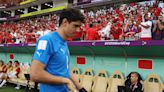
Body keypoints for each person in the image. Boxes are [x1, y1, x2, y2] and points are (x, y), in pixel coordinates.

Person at [30, 8, 86, 92]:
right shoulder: (47, 40)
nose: (78, 30)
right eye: (75, 26)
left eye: (79, 27)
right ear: (65, 22)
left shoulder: (64, 42)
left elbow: (65, 70)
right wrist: (65, 81)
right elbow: (35, 74)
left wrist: (81, 88)